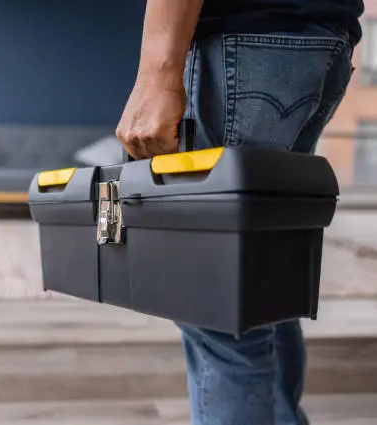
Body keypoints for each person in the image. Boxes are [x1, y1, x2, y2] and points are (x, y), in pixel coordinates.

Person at [116, 1, 364, 424]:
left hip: (244, 45)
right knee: (265, 283)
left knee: (214, 306)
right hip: (319, 40)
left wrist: (157, 74)